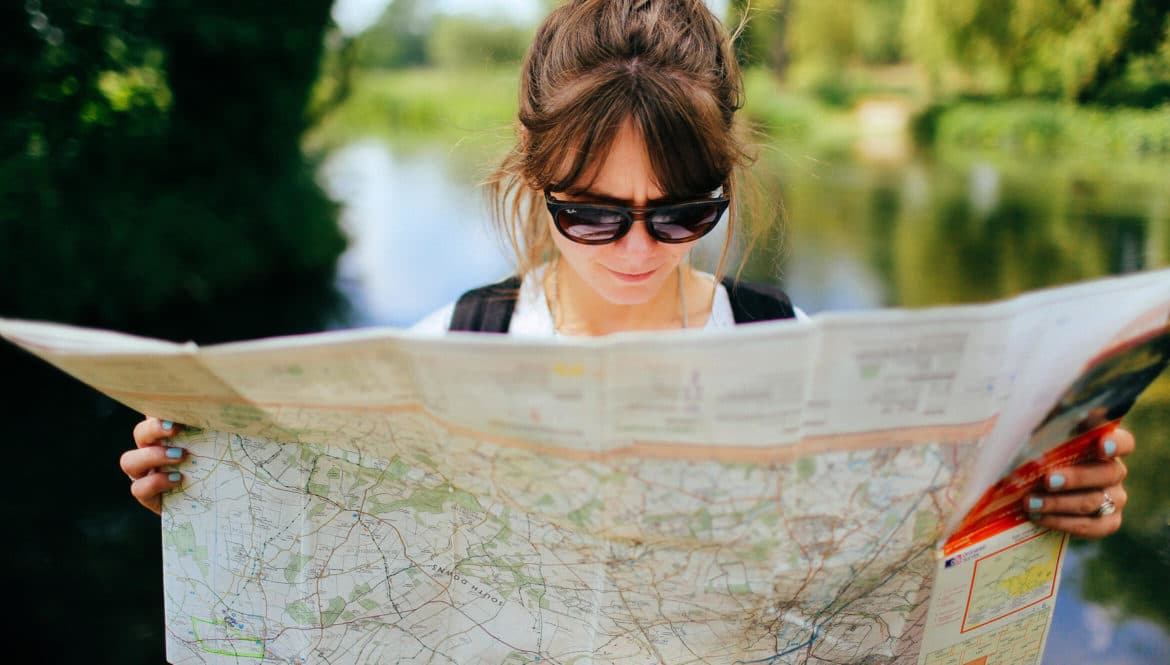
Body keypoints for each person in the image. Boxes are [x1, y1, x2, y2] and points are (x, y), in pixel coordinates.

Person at [120, 0, 1133, 540]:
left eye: (684, 212)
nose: (642, 254)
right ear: (534, 173)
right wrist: (207, 487)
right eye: (593, 214)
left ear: (729, 178)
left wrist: (1048, 502)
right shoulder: (450, 346)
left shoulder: (793, 345)